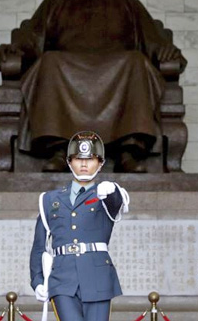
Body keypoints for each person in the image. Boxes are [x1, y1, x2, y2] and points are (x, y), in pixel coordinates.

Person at [0, 0, 187, 173]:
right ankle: (59, 149)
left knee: (136, 61)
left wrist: (165, 50)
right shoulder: (55, 3)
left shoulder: (128, 4)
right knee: (50, 61)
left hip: (120, 71)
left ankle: (128, 150)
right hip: (64, 71)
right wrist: (14, 49)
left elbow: (153, 42)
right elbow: (32, 41)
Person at [29, 131, 130, 321]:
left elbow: (117, 201)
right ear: (69, 162)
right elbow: (39, 247)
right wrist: (38, 281)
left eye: (91, 159)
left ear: (100, 163)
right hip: (62, 279)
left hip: (97, 277)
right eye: (78, 158)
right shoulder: (50, 199)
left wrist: (112, 190)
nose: (84, 164)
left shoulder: (105, 194)